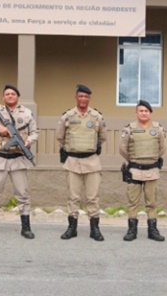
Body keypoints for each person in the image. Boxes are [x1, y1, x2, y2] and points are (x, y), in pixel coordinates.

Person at [0, 85, 38, 239]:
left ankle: (26, 227)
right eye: (7, 94)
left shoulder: (27, 113)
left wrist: (28, 141)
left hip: (18, 159)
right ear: (3, 97)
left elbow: (35, 132)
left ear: (17, 97)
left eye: (13, 94)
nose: (10, 96)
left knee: (22, 195)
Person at [57, 84, 107, 241]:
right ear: (76, 97)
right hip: (72, 161)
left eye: (86, 96)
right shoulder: (68, 116)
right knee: (73, 197)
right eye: (81, 96)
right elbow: (60, 136)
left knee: (93, 197)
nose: (83, 99)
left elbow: (103, 137)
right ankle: (72, 228)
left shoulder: (96, 116)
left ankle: (95, 229)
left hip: (91, 162)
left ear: (89, 98)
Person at [119, 100, 166, 242]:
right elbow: (122, 149)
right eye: (141, 111)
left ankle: (153, 230)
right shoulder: (129, 129)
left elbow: (162, 148)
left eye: (146, 111)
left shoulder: (158, 129)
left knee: (151, 202)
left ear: (150, 113)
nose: (144, 113)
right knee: (133, 202)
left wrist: (152, 159)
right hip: (135, 171)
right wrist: (133, 160)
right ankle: (132, 230)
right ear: (136, 113)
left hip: (152, 170)